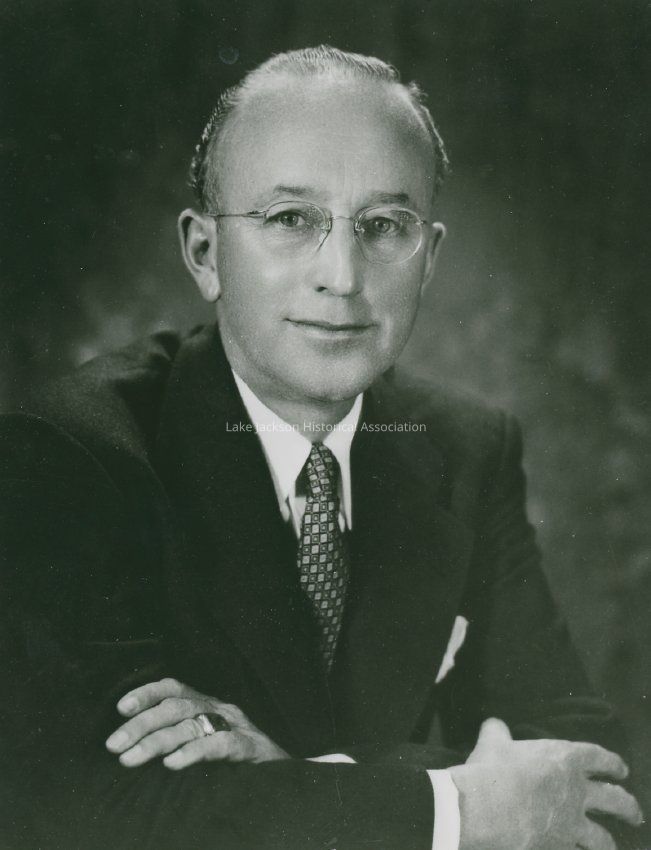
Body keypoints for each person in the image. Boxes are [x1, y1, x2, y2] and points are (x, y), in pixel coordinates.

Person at [0, 45, 644, 850]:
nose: (341, 276)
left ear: (429, 259)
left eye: (384, 226)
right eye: (289, 219)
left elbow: (595, 791)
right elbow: (80, 814)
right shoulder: (70, 454)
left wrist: (296, 779)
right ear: (205, 254)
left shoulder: (465, 446)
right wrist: (461, 808)